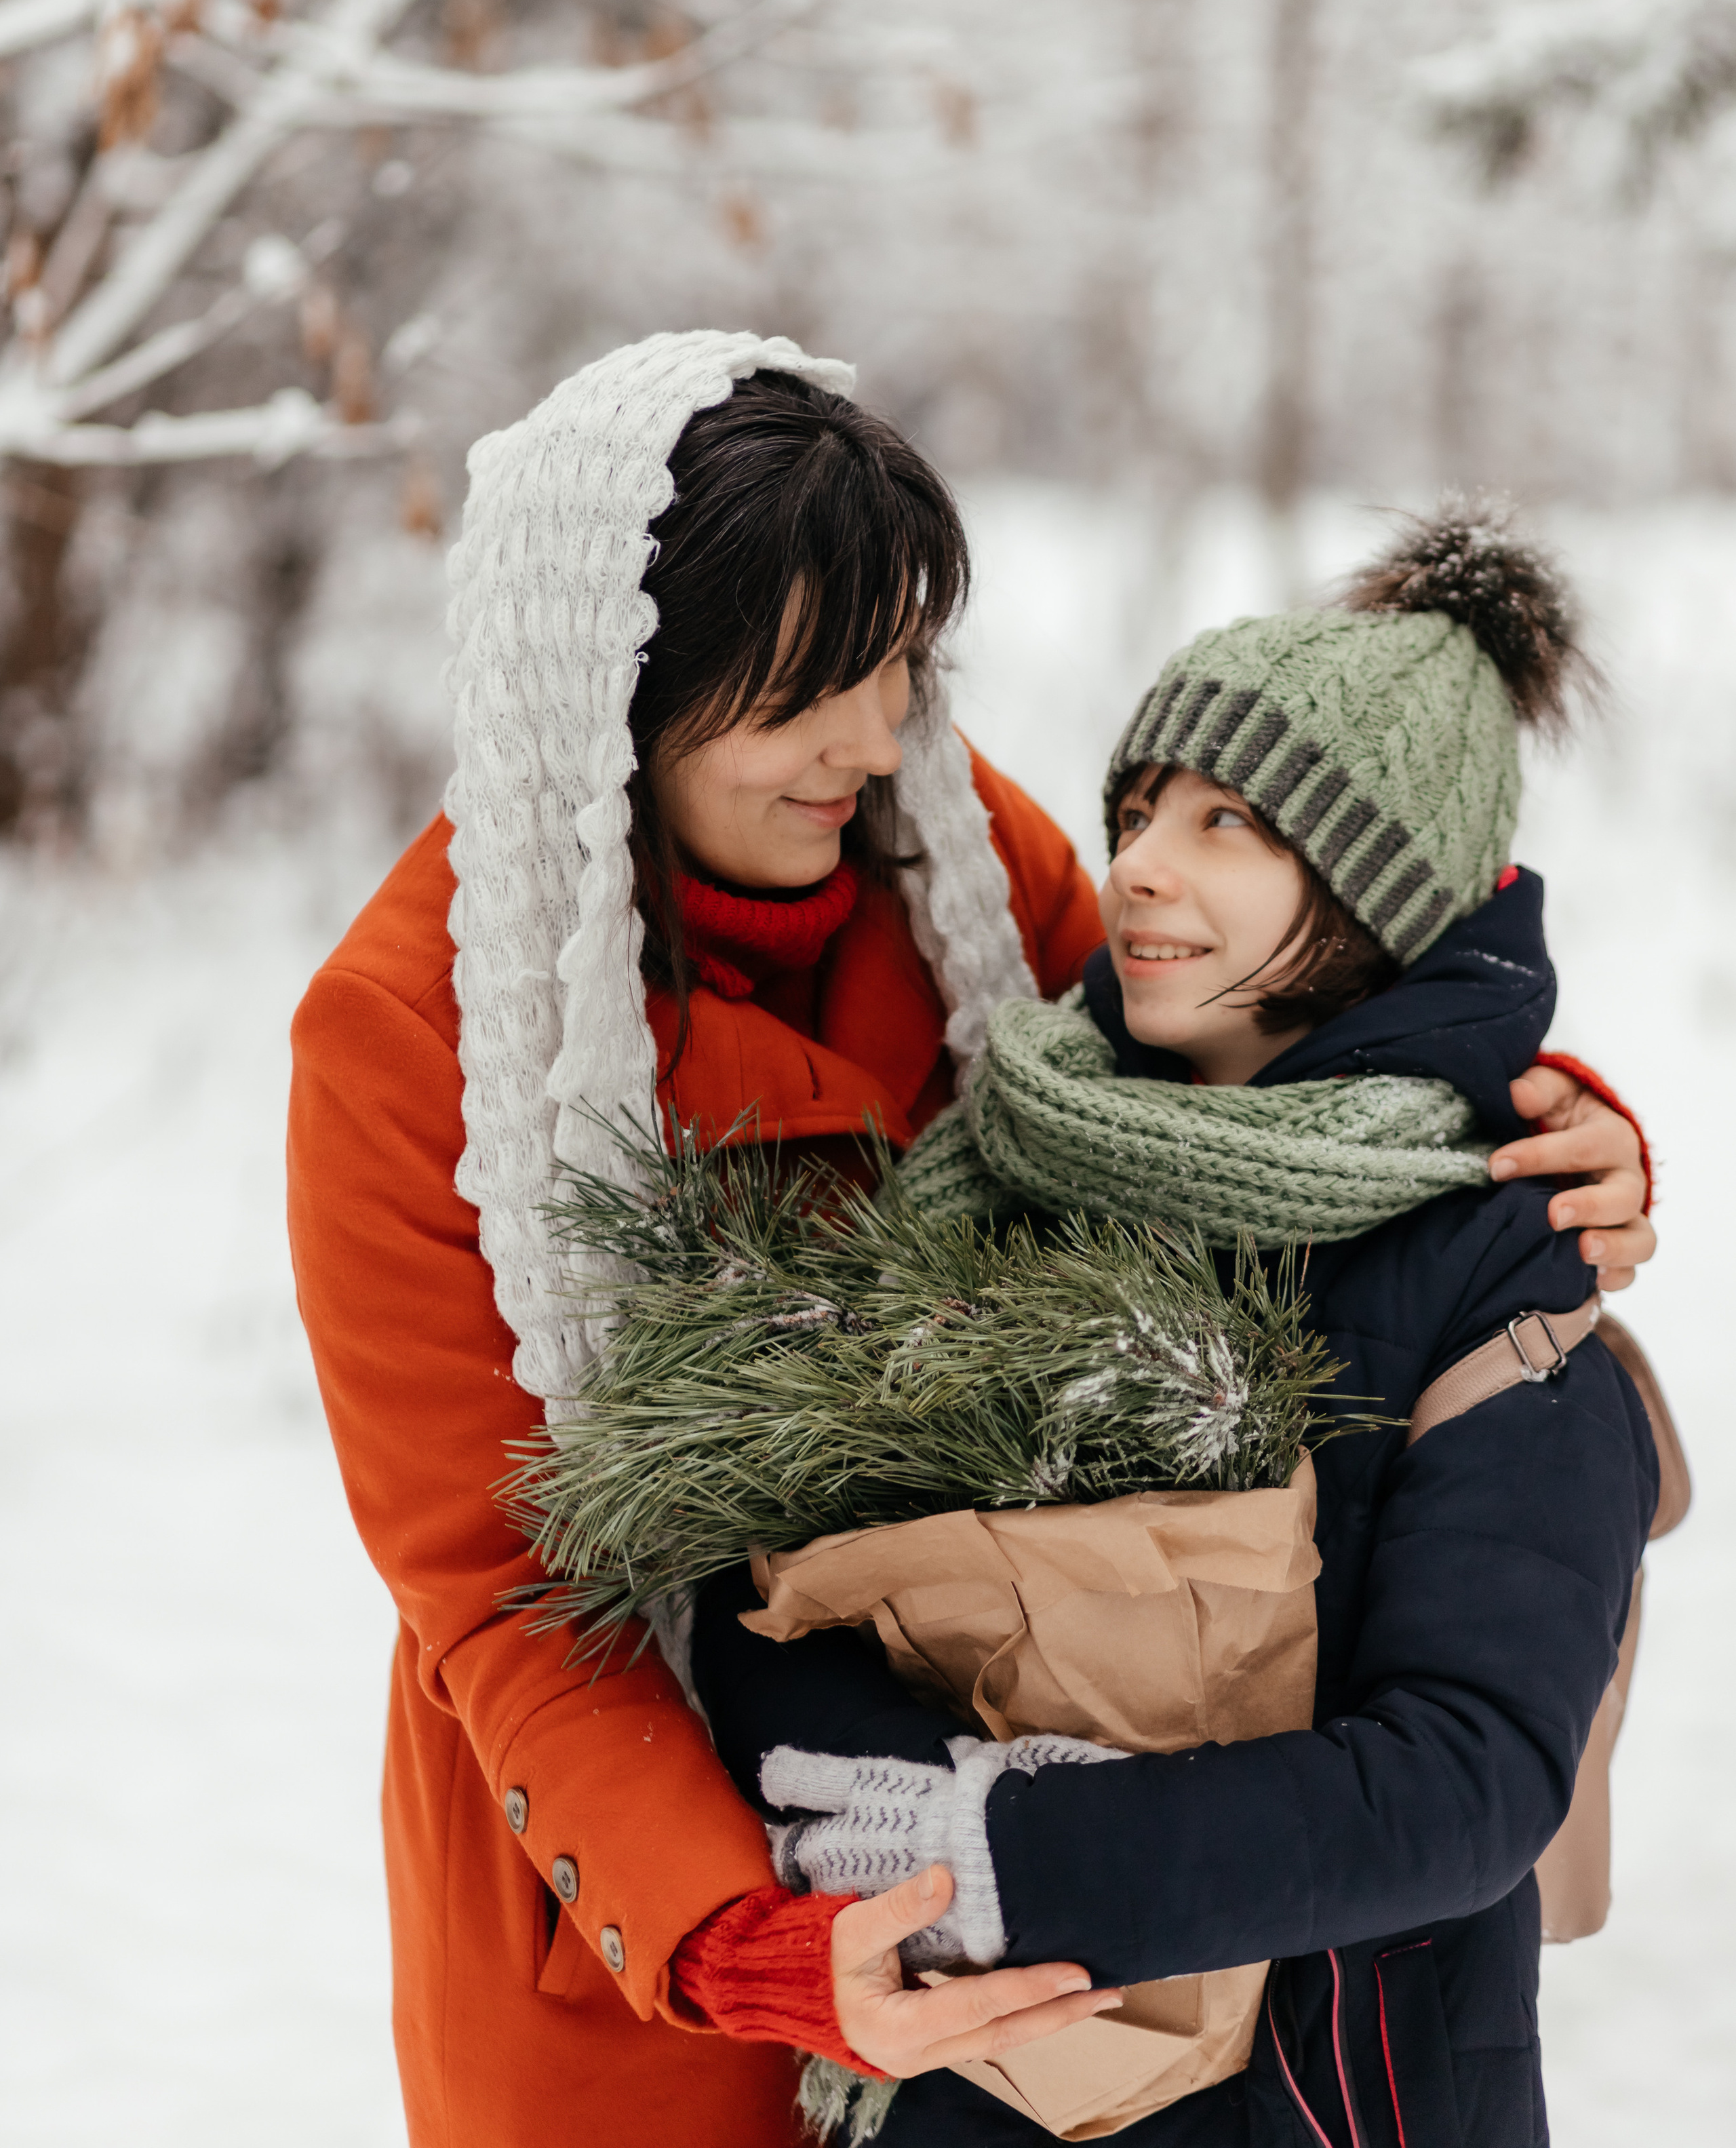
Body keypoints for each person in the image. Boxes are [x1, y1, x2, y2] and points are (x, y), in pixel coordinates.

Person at [287, 340, 1653, 2148]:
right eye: (797, 697)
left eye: (899, 668)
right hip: (645, 1862)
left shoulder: (944, 851)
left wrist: (1537, 1115)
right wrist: (762, 1941)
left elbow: (1256, 1059)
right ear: (612, 695)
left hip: (1015, 1857)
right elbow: (507, 1593)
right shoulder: (404, 1042)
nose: (872, 741)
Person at [697, 507, 1660, 2148]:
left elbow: (1474, 1773)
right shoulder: (996, 1170)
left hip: (1344, 2089)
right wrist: (895, 1814)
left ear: (1370, 891)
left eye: (1227, 824)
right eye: (1137, 811)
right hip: (979, 2085)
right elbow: (771, 1579)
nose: (1137, 862)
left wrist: (1026, 1861)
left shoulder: (1494, 1247)